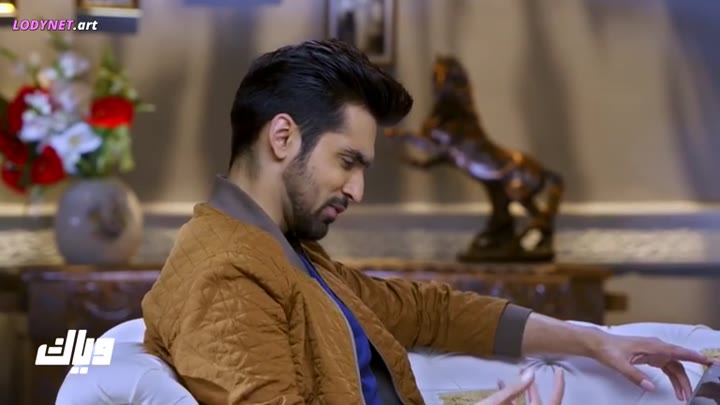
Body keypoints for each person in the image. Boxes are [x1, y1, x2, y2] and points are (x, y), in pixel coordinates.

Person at [141, 39, 711, 404]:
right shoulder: (228, 273)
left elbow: (425, 311)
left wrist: (593, 340)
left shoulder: (281, 250)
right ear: (283, 137)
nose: (357, 190)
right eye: (348, 162)